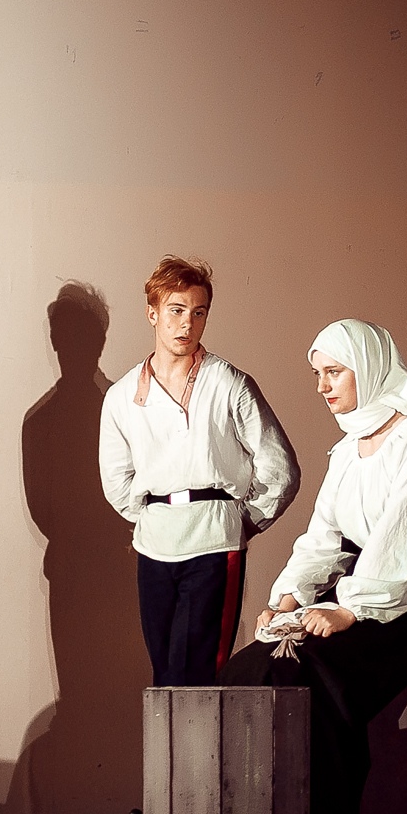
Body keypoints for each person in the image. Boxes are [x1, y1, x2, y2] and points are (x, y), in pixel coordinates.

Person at [221, 318, 407, 814]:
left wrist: (350, 610)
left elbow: (404, 542)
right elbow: (322, 539)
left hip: (405, 603)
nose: (322, 386)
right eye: (318, 374)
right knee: (248, 667)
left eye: (334, 372)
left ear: (368, 368)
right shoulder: (348, 449)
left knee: (311, 671)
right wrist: (288, 599)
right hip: (350, 590)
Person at [99, 256, 301, 688]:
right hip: (154, 546)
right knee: (165, 676)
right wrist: (154, 518)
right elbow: (116, 481)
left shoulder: (228, 382)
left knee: (198, 675)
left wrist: (241, 521)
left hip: (213, 541)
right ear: (153, 313)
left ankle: (202, 739)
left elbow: (280, 468)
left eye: (198, 312)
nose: (186, 324)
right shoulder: (121, 396)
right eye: (176, 310)